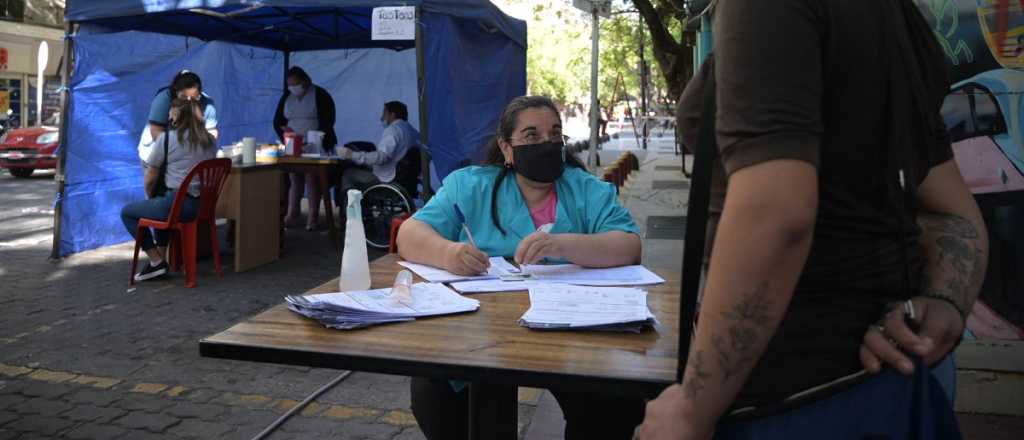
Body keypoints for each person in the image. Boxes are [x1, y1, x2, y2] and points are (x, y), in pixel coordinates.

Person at [637, 1, 987, 439]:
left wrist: (692, 408)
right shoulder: (894, 16)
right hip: (895, 383)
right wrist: (947, 298)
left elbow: (777, 214)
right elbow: (952, 211)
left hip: (798, 401)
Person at [396, 96, 645, 440]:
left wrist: (563, 244)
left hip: (575, 333)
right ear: (507, 148)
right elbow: (410, 234)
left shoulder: (586, 189)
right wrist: (448, 253)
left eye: (554, 134)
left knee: (615, 403)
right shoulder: (470, 185)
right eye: (531, 135)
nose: (546, 143)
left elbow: (629, 246)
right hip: (483, 335)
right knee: (436, 390)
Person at [122, 98, 217, 281]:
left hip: (178, 205)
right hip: (204, 206)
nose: (168, 114)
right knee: (162, 204)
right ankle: (162, 258)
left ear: (177, 115)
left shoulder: (167, 139)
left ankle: (157, 261)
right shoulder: (210, 141)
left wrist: (151, 197)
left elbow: (150, 178)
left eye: (171, 111)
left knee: (128, 212)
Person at [274, 66, 338, 231]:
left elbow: (328, 120)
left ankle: (313, 217)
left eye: (295, 84)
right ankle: (292, 213)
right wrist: (285, 133)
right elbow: (278, 120)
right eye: (290, 85)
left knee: (312, 178)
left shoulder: (320, 95)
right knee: (294, 177)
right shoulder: (287, 97)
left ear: (305, 81)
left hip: (315, 142)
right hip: (292, 142)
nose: (293, 88)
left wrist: (316, 138)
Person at [335, 101, 417, 194]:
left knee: (348, 174)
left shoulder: (393, 130)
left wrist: (352, 155)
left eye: (384, 113)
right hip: (405, 177)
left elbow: (382, 157)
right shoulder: (413, 132)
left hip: (387, 179)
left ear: (392, 115)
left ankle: (348, 206)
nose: (382, 117)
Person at [138, 70, 218, 163]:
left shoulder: (208, 104)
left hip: (187, 157)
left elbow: (211, 131)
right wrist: (178, 151)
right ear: (176, 91)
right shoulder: (164, 98)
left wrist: (202, 150)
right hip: (155, 152)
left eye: (193, 99)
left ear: (199, 94)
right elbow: (156, 131)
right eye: (184, 97)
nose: (188, 103)